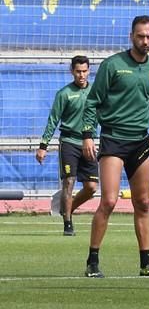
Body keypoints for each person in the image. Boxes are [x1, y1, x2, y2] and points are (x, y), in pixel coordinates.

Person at [81, 15, 149, 278]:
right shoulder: (113, 66)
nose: (145, 41)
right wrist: (87, 134)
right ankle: (92, 261)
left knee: (142, 203)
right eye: (141, 36)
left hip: (141, 142)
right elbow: (93, 102)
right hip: (114, 139)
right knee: (108, 200)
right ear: (131, 36)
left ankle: (146, 264)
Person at [36, 55, 98, 236]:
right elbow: (53, 120)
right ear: (72, 71)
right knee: (69, 182)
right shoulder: (64, 94)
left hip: (89, 143)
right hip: (69, 141)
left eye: (84, 71)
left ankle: (66, 208)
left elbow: (104, 115)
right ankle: (68, 224)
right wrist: (43, 146)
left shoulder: (95, 93)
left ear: (89, 71)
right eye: (78, 71)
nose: (81, 75)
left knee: (91, 188)